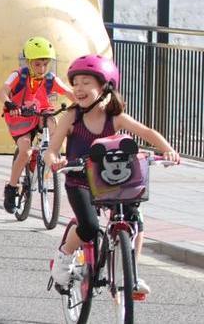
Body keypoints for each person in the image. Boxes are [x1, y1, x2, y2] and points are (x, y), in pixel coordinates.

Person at [45, 54, 180, 297]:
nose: (78, 88)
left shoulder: (115, 118)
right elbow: (52, 150)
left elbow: (147, 132)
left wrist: (167, 150)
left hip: (111, 183)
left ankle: (131, 275)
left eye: (86, 82)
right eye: (75, 83)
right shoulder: (72, 116)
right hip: (79, 181)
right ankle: (63, 257)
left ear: (104, 86)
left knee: (134, 220)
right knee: (89, 226)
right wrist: (55, 161)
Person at [0, 36, 72, 213]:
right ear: (29, 62)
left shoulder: (50, 78)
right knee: (25, 151)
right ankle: (12, 187)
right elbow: (3, 91)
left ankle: (52, 153)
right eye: (37, 64)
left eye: (46, 64)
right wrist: (10, 104)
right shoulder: (18, 75)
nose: (42, 68)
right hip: (20, 117)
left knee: (52, 121)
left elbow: (69, 92)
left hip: (40, 112)